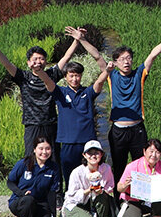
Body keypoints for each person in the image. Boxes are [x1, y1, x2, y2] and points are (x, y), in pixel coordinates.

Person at [0, 26, 99, 158]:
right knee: (30, 157)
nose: (39, 61)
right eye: (35, 59)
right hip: (32, 124)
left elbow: (67, 57)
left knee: (54, 158)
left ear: (46, 61)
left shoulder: (52, 74)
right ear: (29, 63)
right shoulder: (23, 77)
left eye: (42, 59)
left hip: (50, 123)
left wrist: (77, 40)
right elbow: (8, 65)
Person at [106, 26, 161, 185]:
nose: (126, 61)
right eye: (121, 59)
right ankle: (118, 199)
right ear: (115, 62)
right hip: (118, 130)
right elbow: (96, 55)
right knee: (119, 165)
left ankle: (140, 199)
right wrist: (81, 39)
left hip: (137, 129)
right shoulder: (111, 75)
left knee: (141, 165)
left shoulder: (139, 74)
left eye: (128, 58)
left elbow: (152, 55)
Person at [39, 58, 110, 195]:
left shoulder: (87, 92)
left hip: (88, 142)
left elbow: (99, 82)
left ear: (81, 76)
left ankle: (92, 204)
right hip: (68, 141)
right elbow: (48, 81)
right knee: (69, 176)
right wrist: (39, 71)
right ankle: (70, 204)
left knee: (91, 176)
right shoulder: (61, 92)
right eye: (71, 75)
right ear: (65, 77)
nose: (75, 79)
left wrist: (107, 71)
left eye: (77, 75)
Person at [7, 137, 59, 217]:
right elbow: (10, 182)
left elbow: (52, 192)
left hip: (40, 203)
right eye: (41, 148)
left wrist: (53, 214)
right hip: (20, 201)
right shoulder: (24, 163)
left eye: (47, 148)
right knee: (28, 200)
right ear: (35, 149)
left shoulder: (53, 168)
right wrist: (21, 193)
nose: (44, 152)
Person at [116, 139, 161, 217]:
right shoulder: (133, 166)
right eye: (151, 151)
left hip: (153, 200)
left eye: (157, 152)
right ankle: (130, 215)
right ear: (144, 151)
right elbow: (119, 188)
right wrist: (125, 185)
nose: (154, 155)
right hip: (133, 200)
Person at [64, 140, 115, 217]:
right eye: (90, 153)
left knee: (103, 195)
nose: (93, 156)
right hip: (76, 203)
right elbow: (72, 196)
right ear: (84, 155)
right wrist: (89, 190)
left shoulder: (106, 168)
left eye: (96, 153)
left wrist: (102, 190)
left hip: (94, 201)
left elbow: (110, 187)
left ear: (102, 154)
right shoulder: (77, 172)